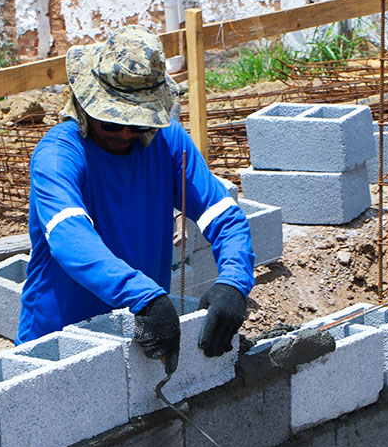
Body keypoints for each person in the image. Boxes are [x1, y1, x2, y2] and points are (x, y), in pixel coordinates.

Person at [18, 26, 256, 370]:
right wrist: (143, 296)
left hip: (137, 339)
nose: (127, 132)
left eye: (140, 123)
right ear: (85, 104)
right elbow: (71, 238)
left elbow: (224, 217)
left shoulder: (169, 142)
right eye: (112, 122)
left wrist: (234, 283)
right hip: (58, 342)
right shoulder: (58, 156)